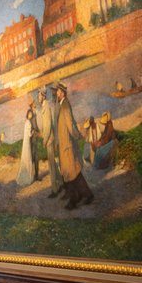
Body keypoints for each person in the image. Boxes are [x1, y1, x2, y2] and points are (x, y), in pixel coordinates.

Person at [55, 82, 94, 210]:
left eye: (58, 91)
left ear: (63, 93)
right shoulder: (62, 105)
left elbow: (70, 125)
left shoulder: (65, 105)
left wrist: (78, 136)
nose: (57, 93)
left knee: (70, 172)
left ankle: (75, 199)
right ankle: (86, 195)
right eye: (57, 91)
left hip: (67, 145)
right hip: (64, 144)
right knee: (73, 172)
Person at [37, 86, 63, 199]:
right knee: (52, 163)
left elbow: (48, 126)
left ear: (43, 96)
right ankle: (61, 182)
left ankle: (55, 189)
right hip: (49, 138)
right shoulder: (45, 106)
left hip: (49, 140)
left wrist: (44, 140)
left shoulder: (46, 106)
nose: (38, 98)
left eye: (39, 96)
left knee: (51, 166)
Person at [16, 107, 37, 187]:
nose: (30, 115)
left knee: (25, 157)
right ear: (27, 115)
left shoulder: (26, 122)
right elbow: (29, 134)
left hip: (25, 142)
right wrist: (33, 131)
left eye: (31, 114)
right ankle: (28, 177)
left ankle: (27, 175)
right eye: (29, 114)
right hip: (27, 142)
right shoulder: (28, 123)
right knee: (28, 157)